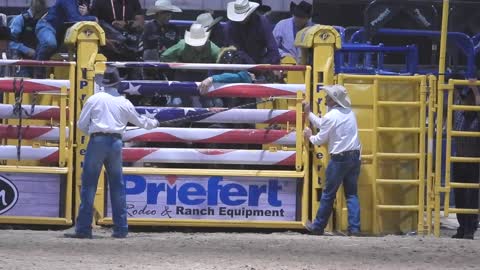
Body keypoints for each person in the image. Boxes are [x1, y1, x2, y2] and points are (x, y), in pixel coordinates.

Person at [64, 67, 159, 239]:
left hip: (97, 140)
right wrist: (154, 123)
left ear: (103, 83)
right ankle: (121, 228)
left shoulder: (94, 99)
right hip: (115, 142)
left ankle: (84, 228)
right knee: (117, 185)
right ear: (118, 83)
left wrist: (93, 132)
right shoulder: (124, 102)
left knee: (89, 185)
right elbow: (140, 122)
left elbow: (81, 125)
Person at [304, 85, 362, 236]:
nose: (325, 98)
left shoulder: (331, 116)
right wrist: (309, 114)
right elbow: (324, 124)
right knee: (352, 194)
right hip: (355, 156)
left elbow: (319, 140)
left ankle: (318, 227)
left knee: (329, 194)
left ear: (332, 100)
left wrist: (309, 135)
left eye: (327, 96)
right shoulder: (349, 113)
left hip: (339, 159)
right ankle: (354, 228)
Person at [160, 23, 220, 107]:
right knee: (177, 103)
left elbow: (221, 59)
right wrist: (178, 65)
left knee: (214, 103)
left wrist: (214, 75)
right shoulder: (182, 45)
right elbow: (164, 56)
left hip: (204, 78)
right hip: (183, 76)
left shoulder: (212, 48)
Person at [451, 81, 480, 240]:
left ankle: (470, 228)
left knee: (471, 196)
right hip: (459, 159)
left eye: (468, 97)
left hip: (473, 161)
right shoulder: (458, 112)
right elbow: (453, 100)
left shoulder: (476, 115)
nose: (465, 100)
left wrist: (475, 91)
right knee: (460, 195)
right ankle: (462, 227)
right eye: (464, 97)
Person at [224, 0, 280, 65]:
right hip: (239, 65)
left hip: (260, 64)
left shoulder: (262, 22)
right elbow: (233, 49)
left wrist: (265, 64)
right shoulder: (230, 26)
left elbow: (273, 49)